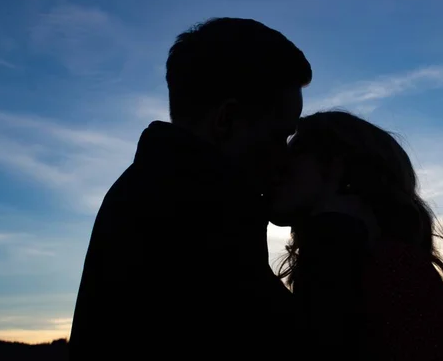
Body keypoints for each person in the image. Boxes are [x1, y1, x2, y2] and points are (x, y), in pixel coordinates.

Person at [69, 18, 312, 360]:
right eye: (278, 135)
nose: (284, 157)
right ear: (226, 120)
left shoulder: (155, 189)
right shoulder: (203, 211)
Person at [269, 110, 443, 360]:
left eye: (296, 152)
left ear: (337, 166)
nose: (279, 165)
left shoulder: (390, 266)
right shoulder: (354, 254)